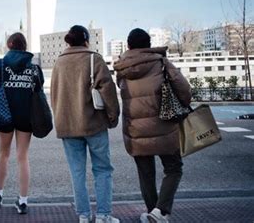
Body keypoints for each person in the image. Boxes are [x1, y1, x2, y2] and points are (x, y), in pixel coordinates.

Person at [113, 28, 192, 223]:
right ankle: (160, 211)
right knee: (173, 168)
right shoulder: (161, 62)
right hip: (165, 126)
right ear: (149, 45)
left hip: (136, 131)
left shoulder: (121, 69)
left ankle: (153, 212)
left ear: (129, 45)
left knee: (146, 174)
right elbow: (185, 91)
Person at [51, 25, 120, 223]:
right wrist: (113, 116)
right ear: (86, 40)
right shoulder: (93, 59)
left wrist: (60, 119)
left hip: (68, 126)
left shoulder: (59, 62)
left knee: (77, 172)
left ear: (68, 41)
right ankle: (103, 215)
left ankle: (83, 215)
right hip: (94, 124)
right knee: (102, 169)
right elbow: (108, 90)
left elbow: (55, 94)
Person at [0, 32, 44, 215]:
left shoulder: (0, 64)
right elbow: (39, 92)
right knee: (22, 157)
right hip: (26, 116)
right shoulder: (34, 68)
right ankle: (23, 200)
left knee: (3, 153)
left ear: (9, 45)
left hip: (4, 114)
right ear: (24, 46)